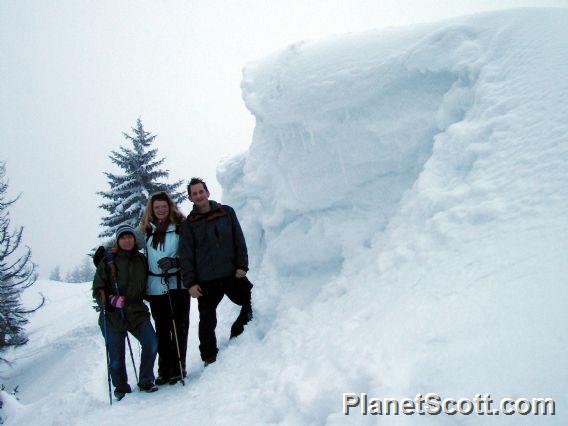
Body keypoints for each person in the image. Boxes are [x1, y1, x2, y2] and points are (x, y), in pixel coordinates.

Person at [179, 177, 253, 366]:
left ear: (207, 193)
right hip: (206, 281)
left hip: (231, 274)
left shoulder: (226, 212)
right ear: (190, 198)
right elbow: (186, 255)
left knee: (252, 299)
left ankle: (243, 333)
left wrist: (242, 266)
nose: (198, 196)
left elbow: (239, 240)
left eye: (201, 191)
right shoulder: (189, 224)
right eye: (194, 193)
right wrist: (191, 283)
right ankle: (209, 357)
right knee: (207, 322)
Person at [92, 224, 159, 400]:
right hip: (113, 315)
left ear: (134, 240)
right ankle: (121, 388)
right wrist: (111, 300)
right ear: (118, 240)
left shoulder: (141, 260)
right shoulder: (108, 261)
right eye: (123, 237)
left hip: (136, 312)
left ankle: (146, 380)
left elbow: (146, 286)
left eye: (130, 237)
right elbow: (97, 288)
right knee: (116, 355)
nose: (127, 240)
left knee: (151, 342)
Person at [140, 191, 189, 385]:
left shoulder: (180, 227)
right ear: (152, 209)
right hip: (155, 286)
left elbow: (189, 252)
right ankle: (164, 369)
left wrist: (175, 261)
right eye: (157, 207)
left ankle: (178, 367)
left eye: (164, 206)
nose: (161, 210)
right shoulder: (147, 230)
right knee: (162, 329)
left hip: (177, 283)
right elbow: (125, 242)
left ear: (170, 207)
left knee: (179, 327)